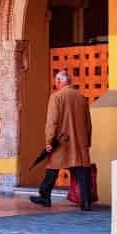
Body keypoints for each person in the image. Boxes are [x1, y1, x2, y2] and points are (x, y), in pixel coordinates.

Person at [32, 69, 95, 210]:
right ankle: (85, 201)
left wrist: (49, 141)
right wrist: (87, 142)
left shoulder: (56, 97)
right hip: (79, 142)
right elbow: (88, 123)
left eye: (56, 81)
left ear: (60, 81)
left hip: (62, 141)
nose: (56, 84)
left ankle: (44, 196)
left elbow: (52, 121)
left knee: (52, 168)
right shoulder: (81, 97)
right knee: (82, 171)